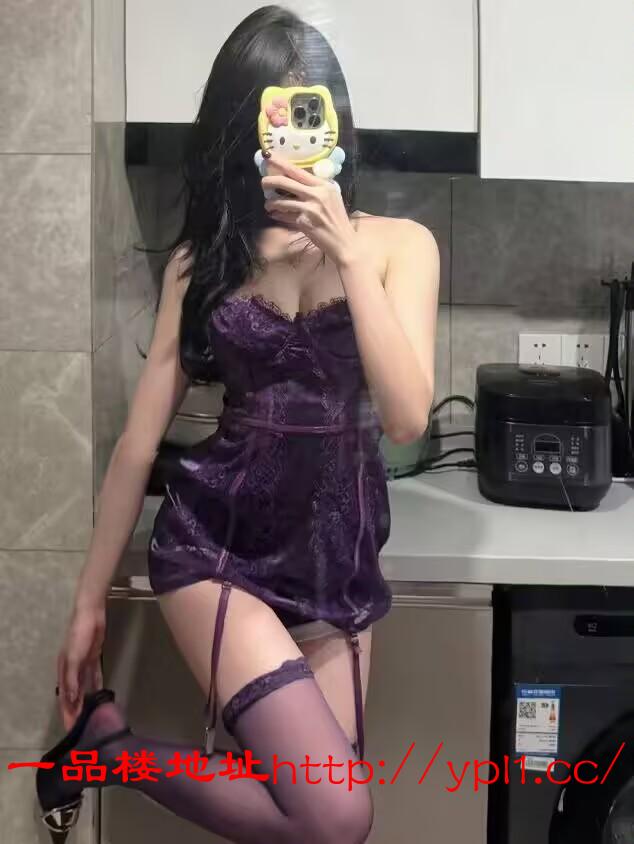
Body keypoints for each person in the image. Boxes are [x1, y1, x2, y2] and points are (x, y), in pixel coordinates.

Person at [35, 5, 439, 843]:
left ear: (336, 122)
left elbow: (405, 417)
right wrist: (87, 603)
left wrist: (346, 252)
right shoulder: (204, 261)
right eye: (273, 119)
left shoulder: (400, 246)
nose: (294, 141)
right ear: (241, 132)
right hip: (217, 551)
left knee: (315, 828)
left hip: (334, 559)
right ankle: (109, 755)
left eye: (310, 114)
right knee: (337, 816)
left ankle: (102, 748)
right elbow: (138, 444)